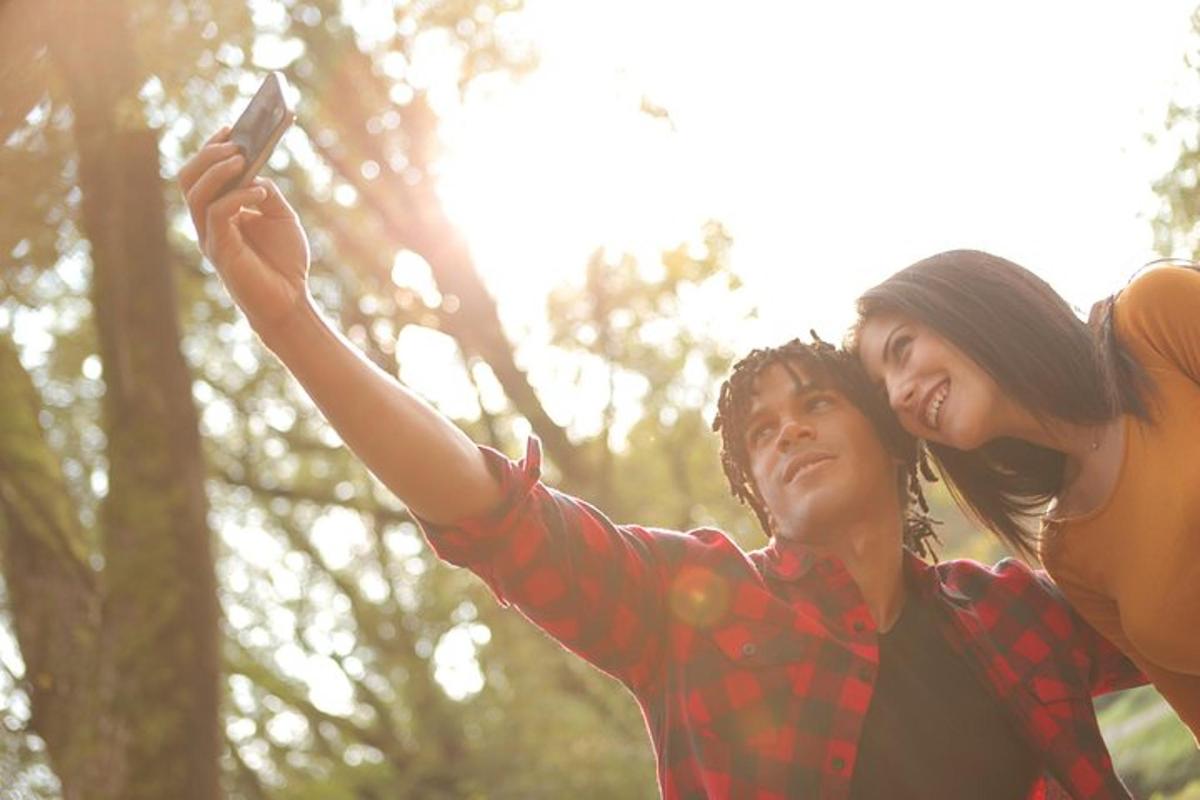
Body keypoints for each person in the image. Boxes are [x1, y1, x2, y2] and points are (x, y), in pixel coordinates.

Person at [179, 132, 1144, 798]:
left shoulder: (1020, 614)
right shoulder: (688, 604)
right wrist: (290, 321)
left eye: (816, 405)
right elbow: (490, 513)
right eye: (762, 434)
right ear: (754, 491)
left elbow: (1168, 596)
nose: (790, 433)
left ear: (895, 440)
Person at [853, 249, 1200, 740]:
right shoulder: (1067, 551)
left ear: (964, 302)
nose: (898, 395)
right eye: (884, 390)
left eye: (902, 348)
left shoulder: (1154, 316)